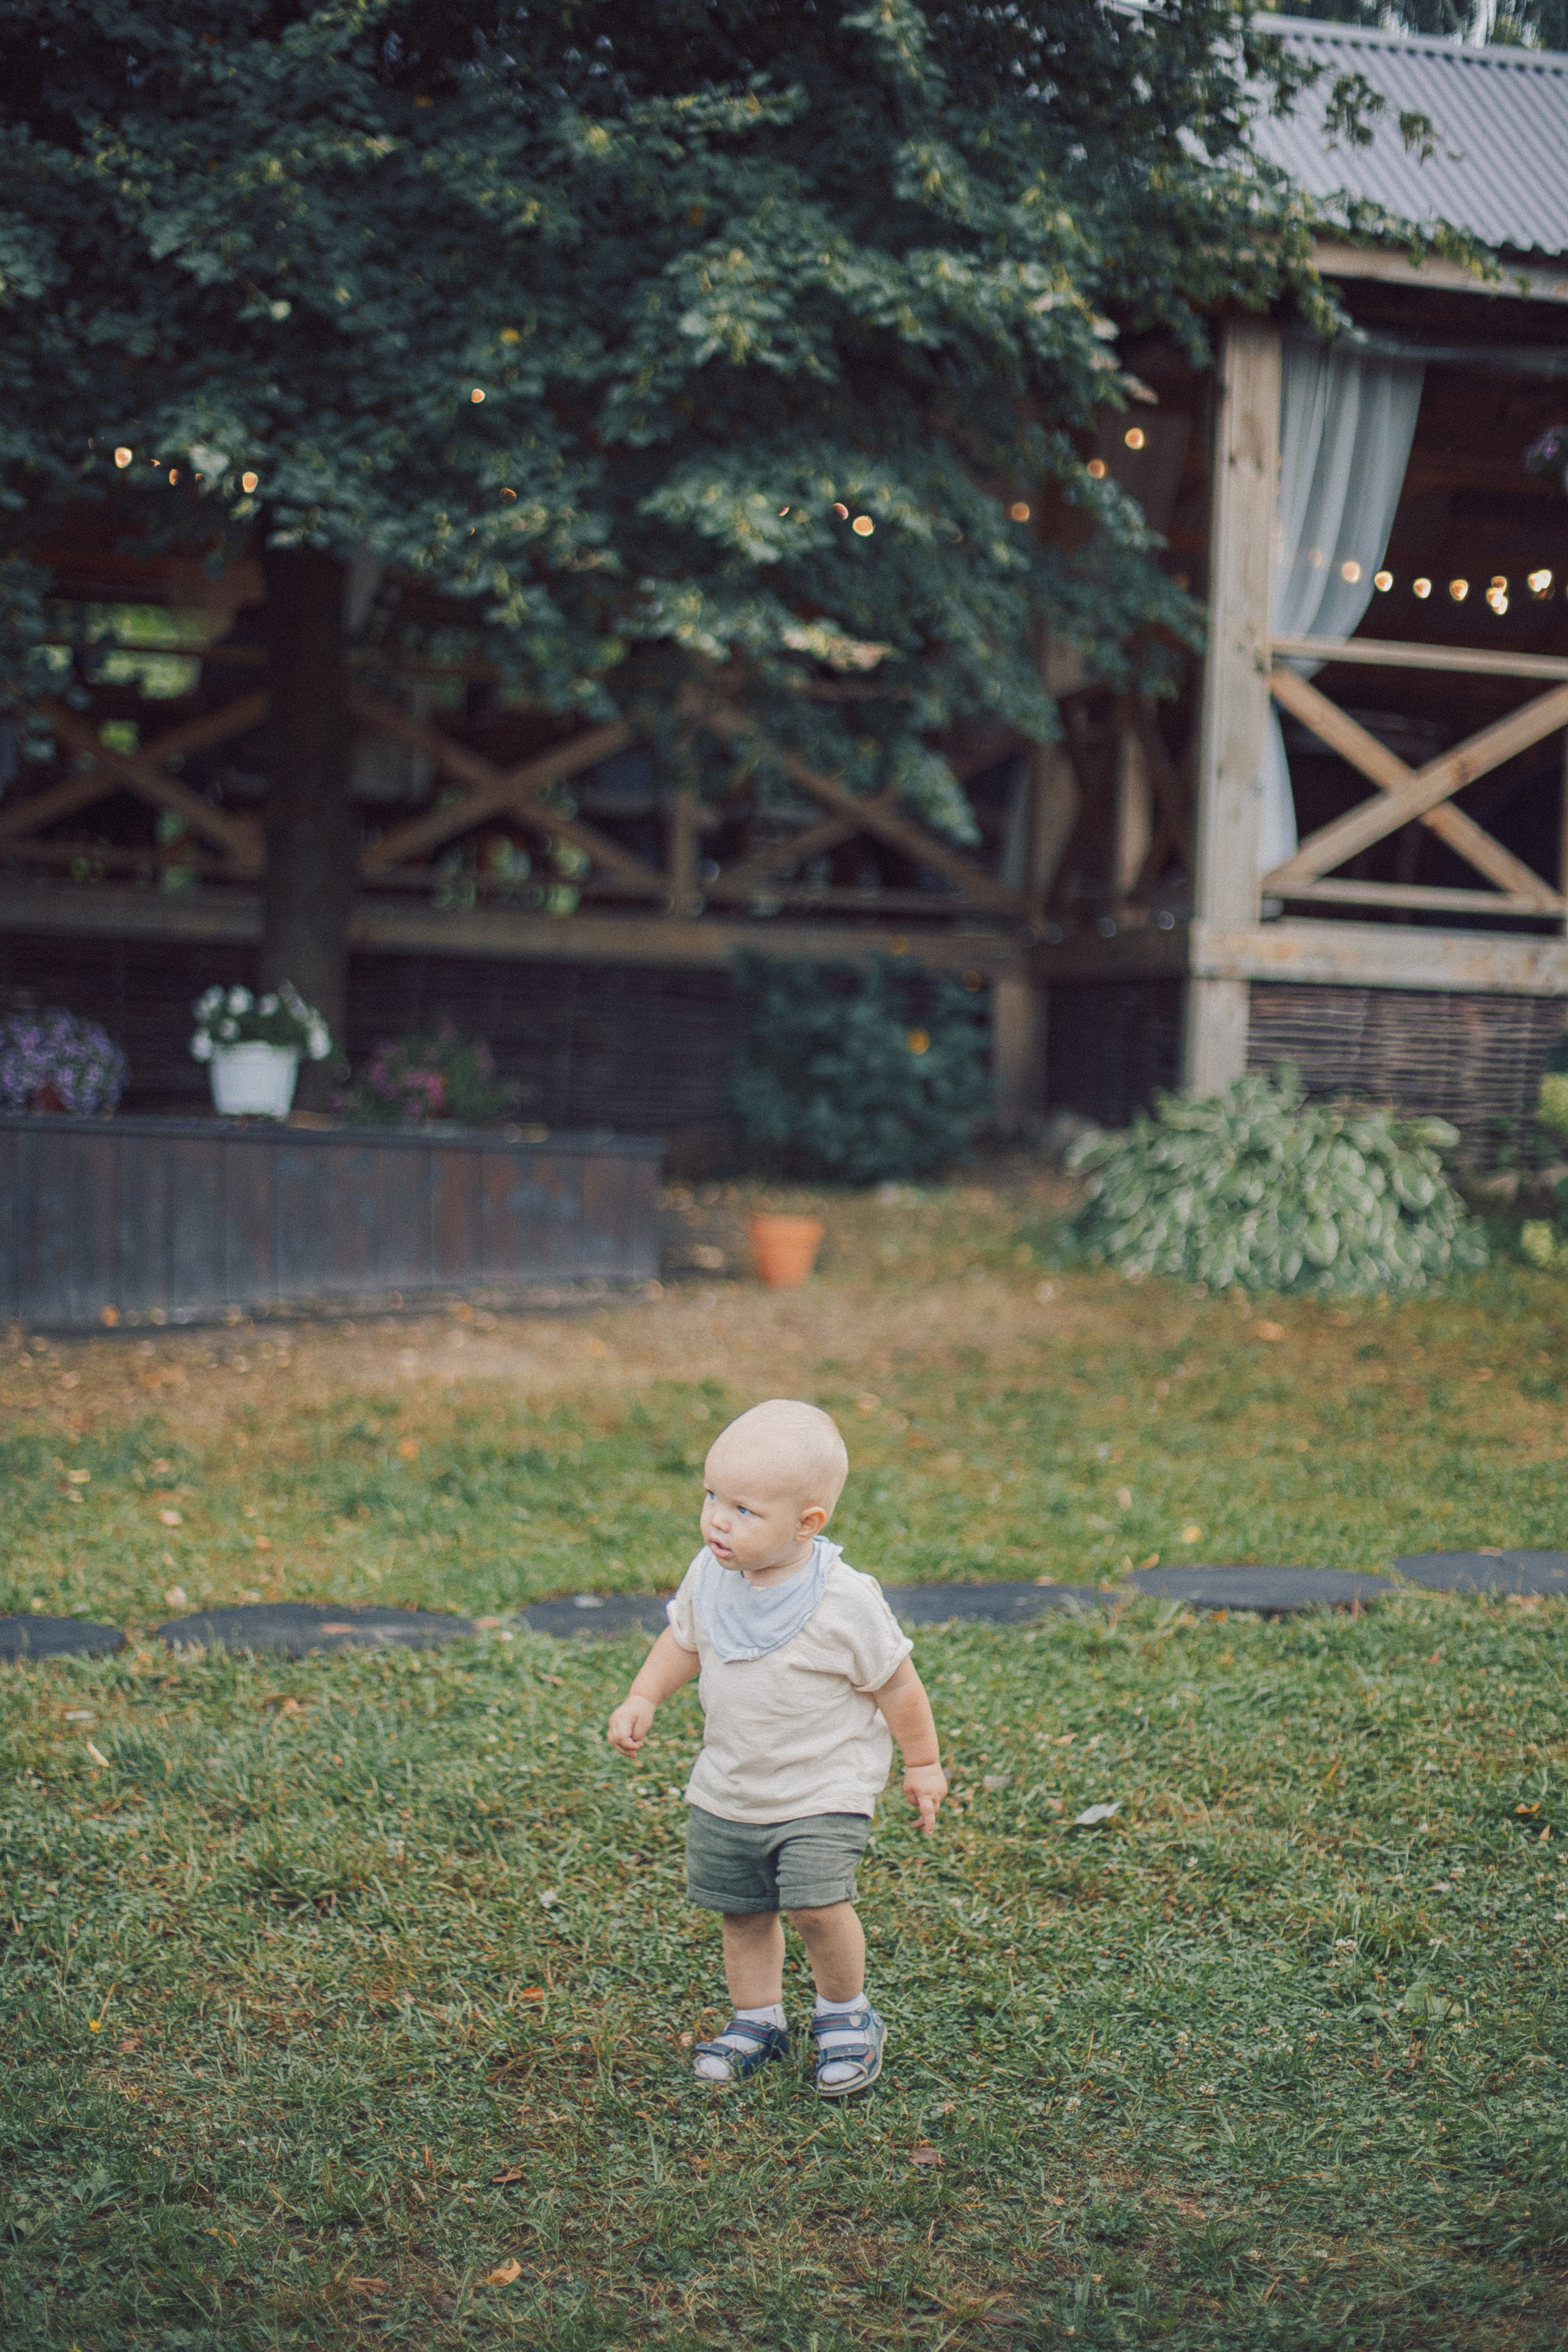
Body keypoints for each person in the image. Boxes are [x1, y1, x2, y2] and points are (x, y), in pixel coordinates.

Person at [606, 1397, 946, 2096]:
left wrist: (923, 1763)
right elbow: (683, 1639)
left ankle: (845, 2014)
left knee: (819, 1907)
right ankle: (756, 2019)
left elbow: (898, 1685)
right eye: (711, 1497)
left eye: (743, 1510)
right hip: (731, 1787)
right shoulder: (711, 1575)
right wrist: (643, 1696)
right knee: (744, 1911)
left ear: (807, 1523)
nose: (716, 1520)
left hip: (823, 1789)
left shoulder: (843, 1600)